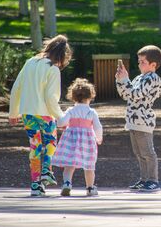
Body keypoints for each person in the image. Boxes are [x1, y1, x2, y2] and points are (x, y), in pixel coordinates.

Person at [9, 35, 72, 197]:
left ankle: (35, 184)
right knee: (51, 142)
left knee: (34, 147)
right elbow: (51, 98)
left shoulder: (30, 62)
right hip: (45, 113)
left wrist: (13, 112)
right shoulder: (53, 69)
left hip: (28, 113)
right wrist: (61, 117)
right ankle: (46, 170)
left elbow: (16, 88)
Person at [116, 45, 161, 192]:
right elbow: (126, 94)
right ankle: (144, 179)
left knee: (148, 152)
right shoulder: (139, 78)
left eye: (143, 62)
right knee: (139, 153)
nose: (139, 64)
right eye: (139, 61)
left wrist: (125, 81)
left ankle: (153, 180)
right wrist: (120, 80)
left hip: (143, 121)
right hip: (133, 121)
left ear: (153, 65)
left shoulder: (152, 78)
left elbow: (136, 94)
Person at [52, 78, 103, 197]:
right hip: (87, 141)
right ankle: (90, 188)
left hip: (71, 140)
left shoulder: (71, 110)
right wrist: (99, 138)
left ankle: (67, 183)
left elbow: (61, 123)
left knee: (69, 165)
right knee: (89, 166)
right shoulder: (91, 112)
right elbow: (98, 127)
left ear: (73, 97)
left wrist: (63, 123)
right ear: (90, 97)